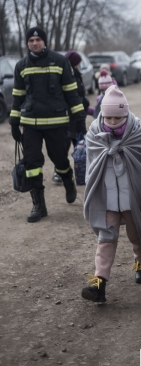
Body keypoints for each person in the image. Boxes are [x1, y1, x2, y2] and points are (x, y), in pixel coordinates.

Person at [82, 85, 141, 303]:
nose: (113, 122)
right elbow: (91, 164)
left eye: (118, 118)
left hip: (131, 197)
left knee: (136, 233)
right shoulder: (95, 133)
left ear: (125, 113)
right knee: (106, 238)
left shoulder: (138, 133)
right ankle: (99, 283)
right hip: (106, 197)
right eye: (108, 118)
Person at [9, 27, 86, 222]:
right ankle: (39, 206)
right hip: (31, 123)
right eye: (31, 40)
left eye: (38, 39)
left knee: (59, 158)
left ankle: (67, 178)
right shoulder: (21, 66)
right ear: (27, 43)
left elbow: (71, 92)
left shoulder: (60, 61)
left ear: (44, 41)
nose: (35, 43)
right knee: (32, 163)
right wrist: (14, 122)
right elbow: (17, 97)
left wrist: (79, 119)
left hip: (57, 122)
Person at [52, 50, 90, 184]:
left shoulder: (76, 74)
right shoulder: (69, 76)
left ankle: (83, 171)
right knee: (65, 146)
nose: (80, 64)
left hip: (77, 115)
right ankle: (59, 172)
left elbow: (80, 96)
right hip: (69, 117)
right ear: (74, 63)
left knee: (80, 145)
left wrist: (87, 107)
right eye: (79, 62)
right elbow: (73, 96)